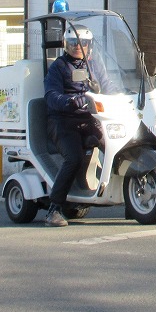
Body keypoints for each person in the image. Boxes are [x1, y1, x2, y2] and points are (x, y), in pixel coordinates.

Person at [43, 24, 114, 227]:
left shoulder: (93, 65)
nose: (78, 47)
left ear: (89, 45)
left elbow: (108, 84)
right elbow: (51, 95)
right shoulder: (59, 67)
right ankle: (53, 209)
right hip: (64, 121)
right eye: (73, 43)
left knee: (114, 146)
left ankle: (118, 192)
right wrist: (69, 101)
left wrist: (121, 95)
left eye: (83, 43)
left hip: (92, 118)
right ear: (66, 44)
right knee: (73, 158)